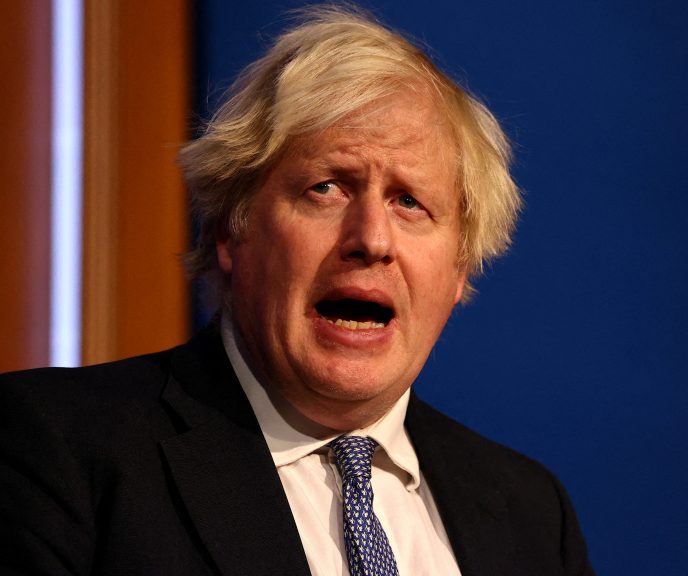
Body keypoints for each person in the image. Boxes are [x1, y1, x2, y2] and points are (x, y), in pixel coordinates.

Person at [0, 6, 594, 575]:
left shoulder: (531, 513)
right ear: (233, 229)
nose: (372, 239)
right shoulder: (55, 446)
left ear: (461, 266)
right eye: (326, 188)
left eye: (409, 202)